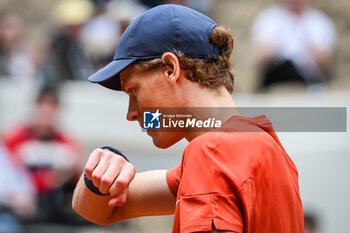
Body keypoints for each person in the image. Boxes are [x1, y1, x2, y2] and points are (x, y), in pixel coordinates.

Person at [72, 4, 304, 233]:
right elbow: (101, 210)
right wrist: (99, 174)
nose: (131, 114)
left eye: (134, 91)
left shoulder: (212, 154)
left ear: (171, 69)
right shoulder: (262, 143)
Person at [3, 86, 82, 222]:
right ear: (36, 107)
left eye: (51, 111)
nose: (47, 116)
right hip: (18, 208)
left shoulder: (65, 141)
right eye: (43, 110)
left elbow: (75, 172)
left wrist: (67, 173)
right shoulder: (15, 137)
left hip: (53, 205)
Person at [251, 0, 337, 91]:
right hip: (276, 77)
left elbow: (325, 61)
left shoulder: (319, 21)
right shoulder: (268, 19)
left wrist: (304, 39)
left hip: (308, 78)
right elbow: (260, 57)